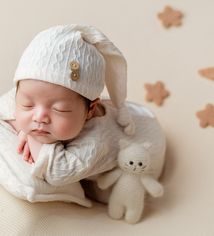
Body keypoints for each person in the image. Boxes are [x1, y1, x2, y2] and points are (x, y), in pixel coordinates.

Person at [0, 24, 166, 206]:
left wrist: (32, 135)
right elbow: (6, 102)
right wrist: (25, 125)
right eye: (27, 103)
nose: (39, 117)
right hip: (137, 117)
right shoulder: (45, 98)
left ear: (91, 109)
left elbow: (58, 173)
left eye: (59, 109)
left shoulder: (95, 142)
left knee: (111, 192)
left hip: (143, 155)